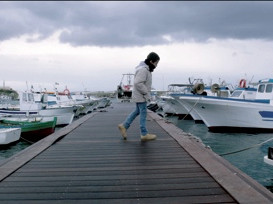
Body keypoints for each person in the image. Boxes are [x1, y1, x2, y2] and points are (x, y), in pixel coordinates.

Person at [118, 52, 160, 141]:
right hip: (141, 95)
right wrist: (146, 93)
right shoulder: (144, 70)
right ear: (151, 61)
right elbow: (138, 83)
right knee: (143, 113)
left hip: (139, 95)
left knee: (137, 111)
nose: (156, 65)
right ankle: (144, 134)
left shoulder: (144, 68)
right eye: (156, 63)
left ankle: (124, 126)